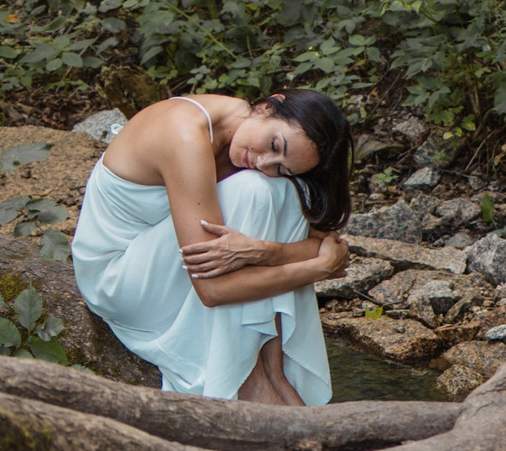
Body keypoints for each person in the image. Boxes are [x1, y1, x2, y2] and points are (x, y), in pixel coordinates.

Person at [73, 90, 354, 404]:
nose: (264, 162)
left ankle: (274, 369)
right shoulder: (185, 136)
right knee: (255, 190)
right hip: (118, 273)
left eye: (281, 166)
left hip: (171, 259)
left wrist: (265, 251)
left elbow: (321, 240)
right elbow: (214, 290)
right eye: (274, 146)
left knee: (286, 191)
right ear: (267, 105)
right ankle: (248, 379)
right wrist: (317, 268)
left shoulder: (245, 131)